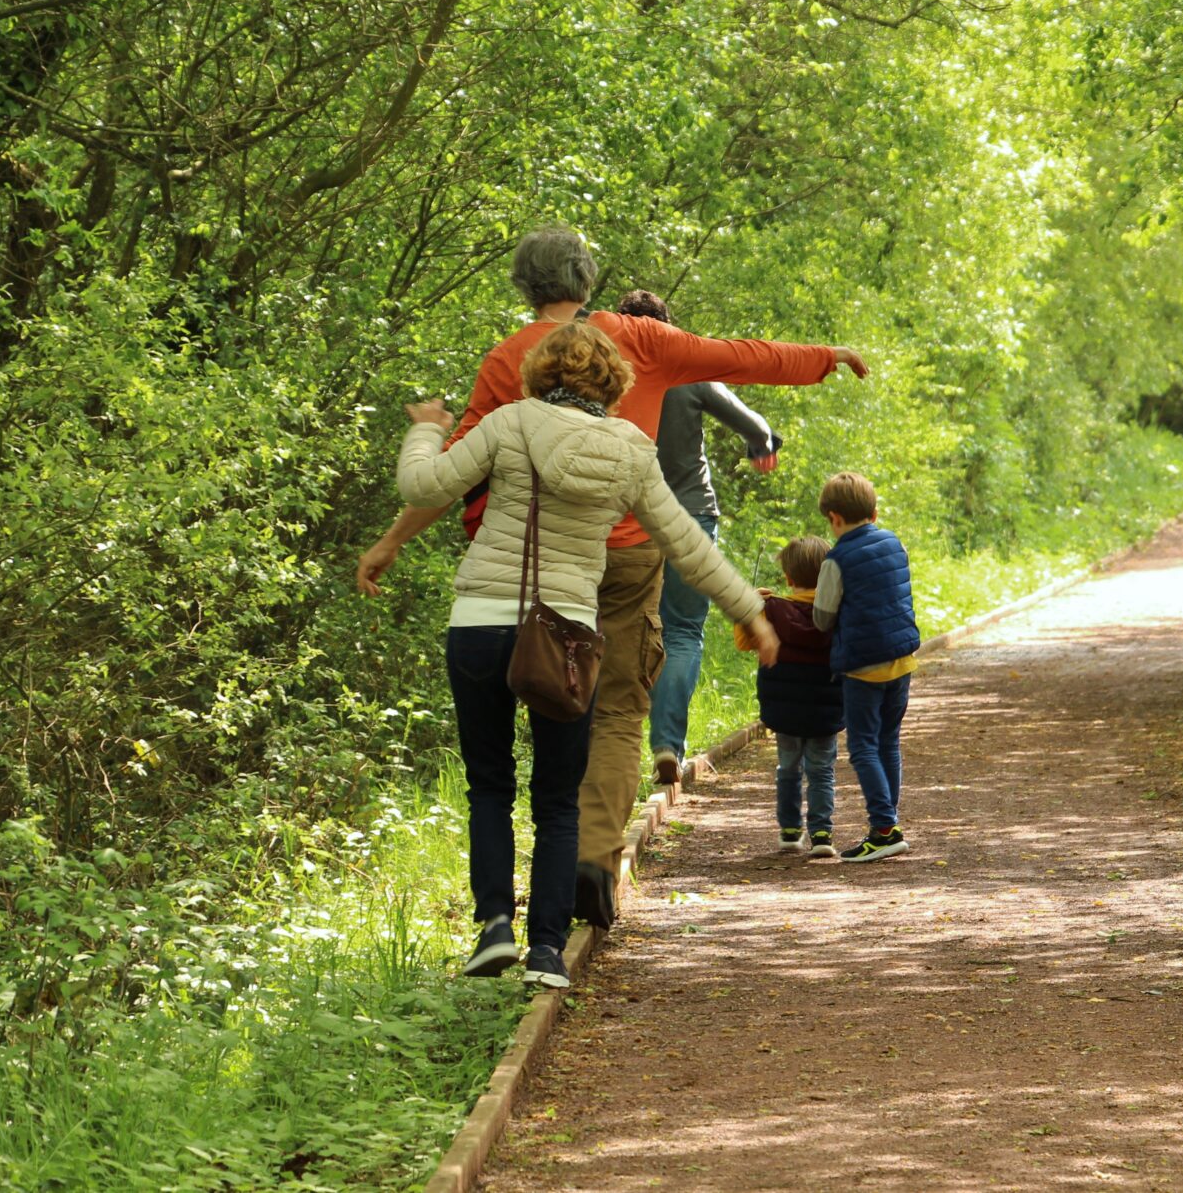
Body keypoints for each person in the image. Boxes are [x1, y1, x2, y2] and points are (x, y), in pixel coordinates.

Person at [358, 227, 868, 928]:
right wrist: (823, 359)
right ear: (587, 279)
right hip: (627, 553)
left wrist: (390, 541)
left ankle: (509, 913)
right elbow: (737, 358)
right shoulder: (640, 338)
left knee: (524, 730)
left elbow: (451, 469)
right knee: (619, 707)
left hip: (531, 573)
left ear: (524, 286)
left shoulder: (509, 358)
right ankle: (594, 857)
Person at [394, 322, 780, 988]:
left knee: (488, 784)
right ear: (614, 385)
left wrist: (429, 427)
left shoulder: (511, 421)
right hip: (565, 634)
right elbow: (688, 542)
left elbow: (425, 486)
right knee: (557, 799)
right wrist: (751, 610)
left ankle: (492, 930)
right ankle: (546, 952)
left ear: (541, 372)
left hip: (483, 621)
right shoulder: (630, 449)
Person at [616, 289, 783, 785]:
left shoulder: (600, 374)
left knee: (620, 633)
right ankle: (667, 746)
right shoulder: (688, 371)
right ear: (668, 327)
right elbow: (756, 426)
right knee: (683, 632)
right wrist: (761, 449)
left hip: (625, 522)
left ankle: (610, 751)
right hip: (689, 517)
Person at [811, 472, 921, 863]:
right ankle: (887, 823)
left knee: (862, 747)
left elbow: (823, 618)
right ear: (874, 512)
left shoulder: (836, 559)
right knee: (888, 741)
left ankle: (884, 828)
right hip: (901, 659)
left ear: (834, 518)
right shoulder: (895, 543)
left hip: (862, 666)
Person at [733, 536, 843, 856]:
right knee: (822, 769)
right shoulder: (838, 612)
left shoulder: (770, 610)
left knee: (788, 767)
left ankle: (790, 831)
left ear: (788, 578)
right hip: (826, 708)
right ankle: (822, 834)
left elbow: (744, 642)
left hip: (786, 711)